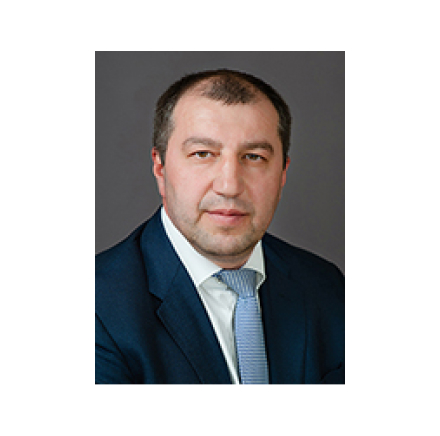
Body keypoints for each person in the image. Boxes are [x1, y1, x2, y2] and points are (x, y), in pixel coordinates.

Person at [95, 68, 344, 384]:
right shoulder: (97, 309)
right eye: (203, 154)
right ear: (160, 167)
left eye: (253, 157)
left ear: (283, 172)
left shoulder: (327, 287)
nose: (229, 186)